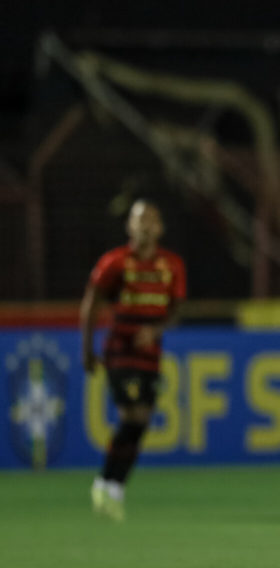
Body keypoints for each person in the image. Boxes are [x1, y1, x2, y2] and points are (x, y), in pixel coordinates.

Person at [80, 199, 186, 521]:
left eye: (151, 219)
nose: (145, 225)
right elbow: (92, 304)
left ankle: (112, 485)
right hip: (119, 351)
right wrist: (87, 349)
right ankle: (106, 482)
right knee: (133, 414)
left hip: (150, 355)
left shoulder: (172, 266)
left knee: (142, 421)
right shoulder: (115, 263)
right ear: (129, 227)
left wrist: (154, 331)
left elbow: (175, 312)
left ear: (160, 228)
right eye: (138, 219)